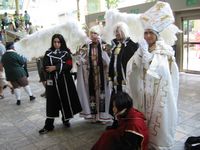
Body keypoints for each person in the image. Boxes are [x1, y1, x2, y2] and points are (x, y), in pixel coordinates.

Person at [126, 2, 179, 149]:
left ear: (156, 35)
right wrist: (139, 57)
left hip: (156, 91)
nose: (148, 36)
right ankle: (144, 137)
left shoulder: (164, 49)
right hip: (144, 90)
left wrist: (148, 58)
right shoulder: (142, 48)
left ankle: (156, 142)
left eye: (151, 33)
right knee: (143, 116)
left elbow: (161, 70)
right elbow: (132, 66)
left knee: (156, 118)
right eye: (146, 33)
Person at [39, 34, 82, 134]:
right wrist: (58, 66)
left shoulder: (66, 52)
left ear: (61, 42)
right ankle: (49, 125)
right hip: (53, 81)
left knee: (65, 100)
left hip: (65, 81)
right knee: (52, 102)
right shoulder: (48, 53)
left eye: (59, 42)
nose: (57, 44)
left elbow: (69, 65)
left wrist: (55, 67)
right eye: (55, 42)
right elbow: (46, 66)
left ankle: (66, 119)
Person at [76, 25, 112, 123]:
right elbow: (83, 59)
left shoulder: (104, 44)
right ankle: (94, 116)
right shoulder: (87, 46)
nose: (93, 35)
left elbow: (109, 59)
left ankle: (104, 116)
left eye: (95, 33)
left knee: (103, 95)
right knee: (92, 95)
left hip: (102, 76)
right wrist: (79, 59)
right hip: (91, 75)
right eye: (91, 33)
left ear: (99, 34)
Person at [108, 22, 138, 119]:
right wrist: (110, 77)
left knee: (125, 102)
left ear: (124, 32)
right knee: (116, 101)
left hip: (126, 80)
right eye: (115, 32)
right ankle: (116, 121)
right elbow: (112, 62)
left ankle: (125, 122)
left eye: (118, 32)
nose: (116, 34)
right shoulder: (116, 45)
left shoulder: (132, 45)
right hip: (117, 80)